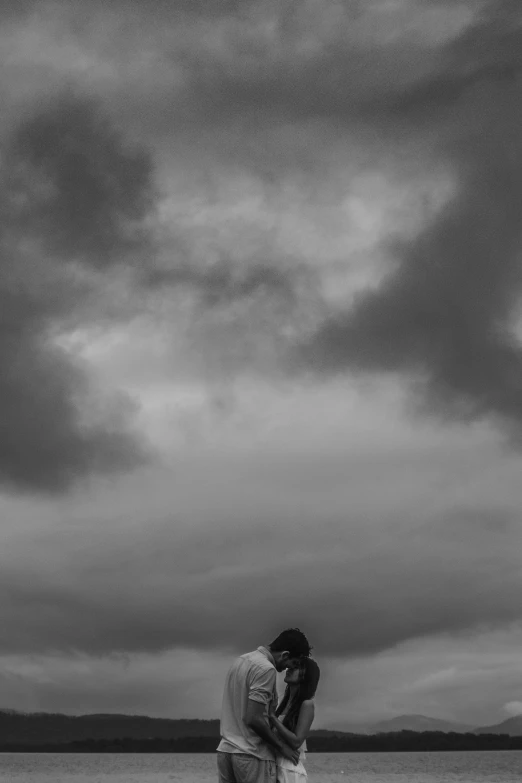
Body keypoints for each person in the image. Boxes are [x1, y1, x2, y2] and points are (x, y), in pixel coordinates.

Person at [217, 628, 312, 783]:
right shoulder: (266, 669)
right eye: (291, 663)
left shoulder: (240, 661)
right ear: (285, 654)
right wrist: (282, 747)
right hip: (252, 754)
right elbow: (253, 718)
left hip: (226, 752)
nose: (286, 669)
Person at [269, 657, 320, 783]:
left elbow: (296, 741)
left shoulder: (307, 704)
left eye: (296, 667)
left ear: (305, 675)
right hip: (274, 767)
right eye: (290, 665)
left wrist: (272, 717)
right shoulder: (284, 704)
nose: (290, 669)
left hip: (289, 771)